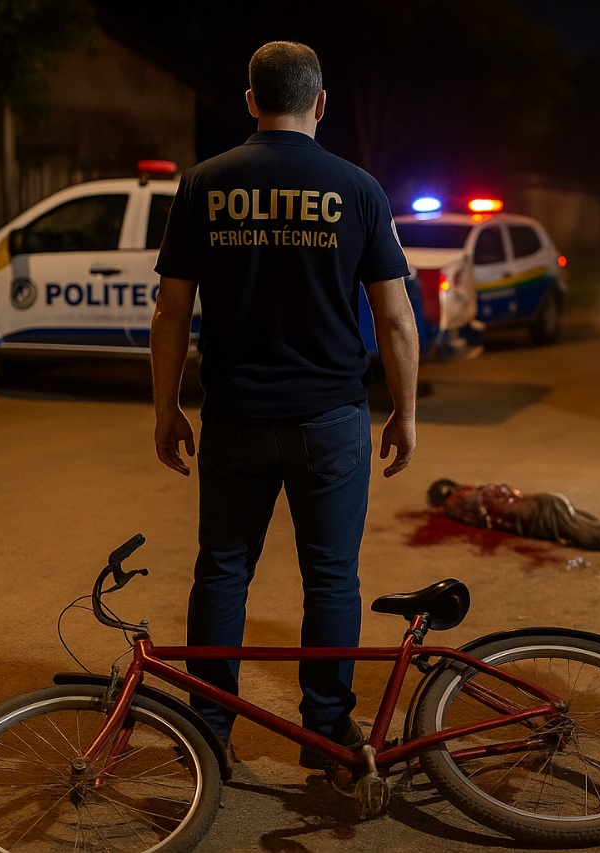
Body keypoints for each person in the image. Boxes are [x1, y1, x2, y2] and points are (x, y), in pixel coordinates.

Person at [150, 41, 419, 771]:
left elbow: (171, 313)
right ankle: (328, 733)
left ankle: (208, 732)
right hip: (331, 421)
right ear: (321, 103)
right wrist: (405, 410)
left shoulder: (205, 184)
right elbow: (394, 316)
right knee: (331, 576)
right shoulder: (358, 188)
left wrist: (166, 408)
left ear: (249, 101)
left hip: (234, 417)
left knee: (222, 572)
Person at [427, 479, 600, 567]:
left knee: (598, 536)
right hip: (545, 503)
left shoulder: (456, 502)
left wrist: (444, 509)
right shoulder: (477, 489)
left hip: (540, 516)